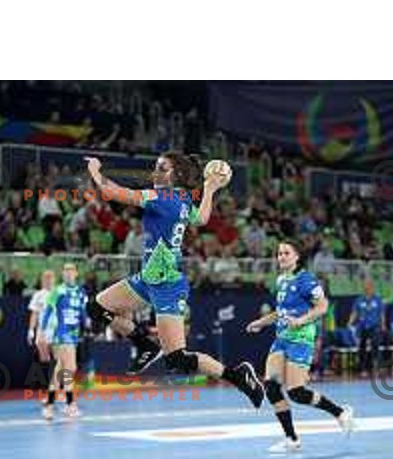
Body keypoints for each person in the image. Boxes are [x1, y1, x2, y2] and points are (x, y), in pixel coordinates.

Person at [84, 153, 263, 408]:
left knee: (177, 359)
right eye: (155, 167)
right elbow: (201, 219)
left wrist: (95, 170)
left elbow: (111, 192)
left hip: (167, 285)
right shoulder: (181, 199)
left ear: (175, 175)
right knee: (96, 307)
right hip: (147, 279)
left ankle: (238, 375)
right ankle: (144, 343)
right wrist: (210, 188)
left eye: (161, 168)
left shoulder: (161, 197)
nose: (155, 172)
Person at [246, 240, 354, 453]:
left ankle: (340, 412)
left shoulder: (306, 280)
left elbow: (322, 307)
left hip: (301, 340)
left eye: (286, 253)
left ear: (296, 257)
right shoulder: (281, 280)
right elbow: (281, 312)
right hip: (282, 338)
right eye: (279, 253)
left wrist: (302, 320)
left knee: (296, 392)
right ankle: (291, 438)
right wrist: (260, 322)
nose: (281, 257)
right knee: (271, 386)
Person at [38, 263, 88, 420]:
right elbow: (47, 311)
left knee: (60, 370)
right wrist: (42, 331)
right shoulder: (58, 290)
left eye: (71, 270)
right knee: (70, 368)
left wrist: (88, 324)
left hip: (74, 335)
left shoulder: (80, 292)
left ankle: (49, 405)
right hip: (62, 334)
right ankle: (70, 404)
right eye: (65, 270)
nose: (67, 273)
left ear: (76, 273)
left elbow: (83, 313)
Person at [349, 278, 384, 377]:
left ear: (372, 287)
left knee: (375, 345)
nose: (367, 287)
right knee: (362, 347)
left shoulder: (377, 299)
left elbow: (381, 314)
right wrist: (350, 323)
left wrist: (383, 325)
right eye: (366, 285)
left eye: (369, 285)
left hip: (374, 326)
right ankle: (363, 368)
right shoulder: (359, 300)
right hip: (362, 327)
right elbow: (354, 313)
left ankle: (376, 366)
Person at [27, 270, 56, 392]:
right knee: (44, 358)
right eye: (46, 278)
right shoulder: (38, 295)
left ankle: (59, 386)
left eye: (50, 278)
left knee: (60, 357)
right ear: (42, 280)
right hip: (43, 331)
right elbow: (34, 313)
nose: (48, 280)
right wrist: (31, 330)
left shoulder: (59, 294)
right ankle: (46, 386)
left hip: (56, 330)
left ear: (54, 280)